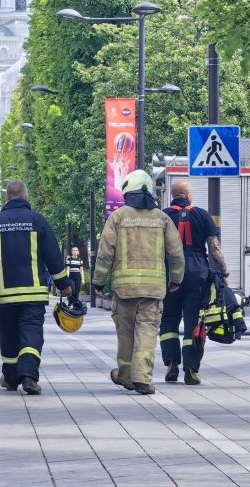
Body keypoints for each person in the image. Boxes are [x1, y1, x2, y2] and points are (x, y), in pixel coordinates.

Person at [93, 170, 184, 396]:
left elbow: (105, 253)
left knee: (125, 333)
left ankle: (125, 376)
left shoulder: (118, 217)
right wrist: (176, 279)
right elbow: (176, 254)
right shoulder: (162, 218)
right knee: (147, 333)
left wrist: (98, 282)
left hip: (124, 289)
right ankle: (142, 378)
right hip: (153, 290)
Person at [0, 180, 72, 395]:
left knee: (8, 334)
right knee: (31, 333)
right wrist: (64, 285)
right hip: (33, 294)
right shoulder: (37, 220)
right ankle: (29, 376)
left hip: (4, 294)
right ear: (25, 197)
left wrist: (4, 267)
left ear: (7, 198)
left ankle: (11, 379)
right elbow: (52, 256)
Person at [159, 180, 229, 385]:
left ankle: (172, 363)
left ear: (173, 195)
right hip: (197, 273)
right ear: (188, 195)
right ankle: (191, 369)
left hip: (171, 273)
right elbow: (214, 247)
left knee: (169, 319)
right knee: (194, 321)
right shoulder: (202, 214)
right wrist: (224, 271)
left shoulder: (164, 216)